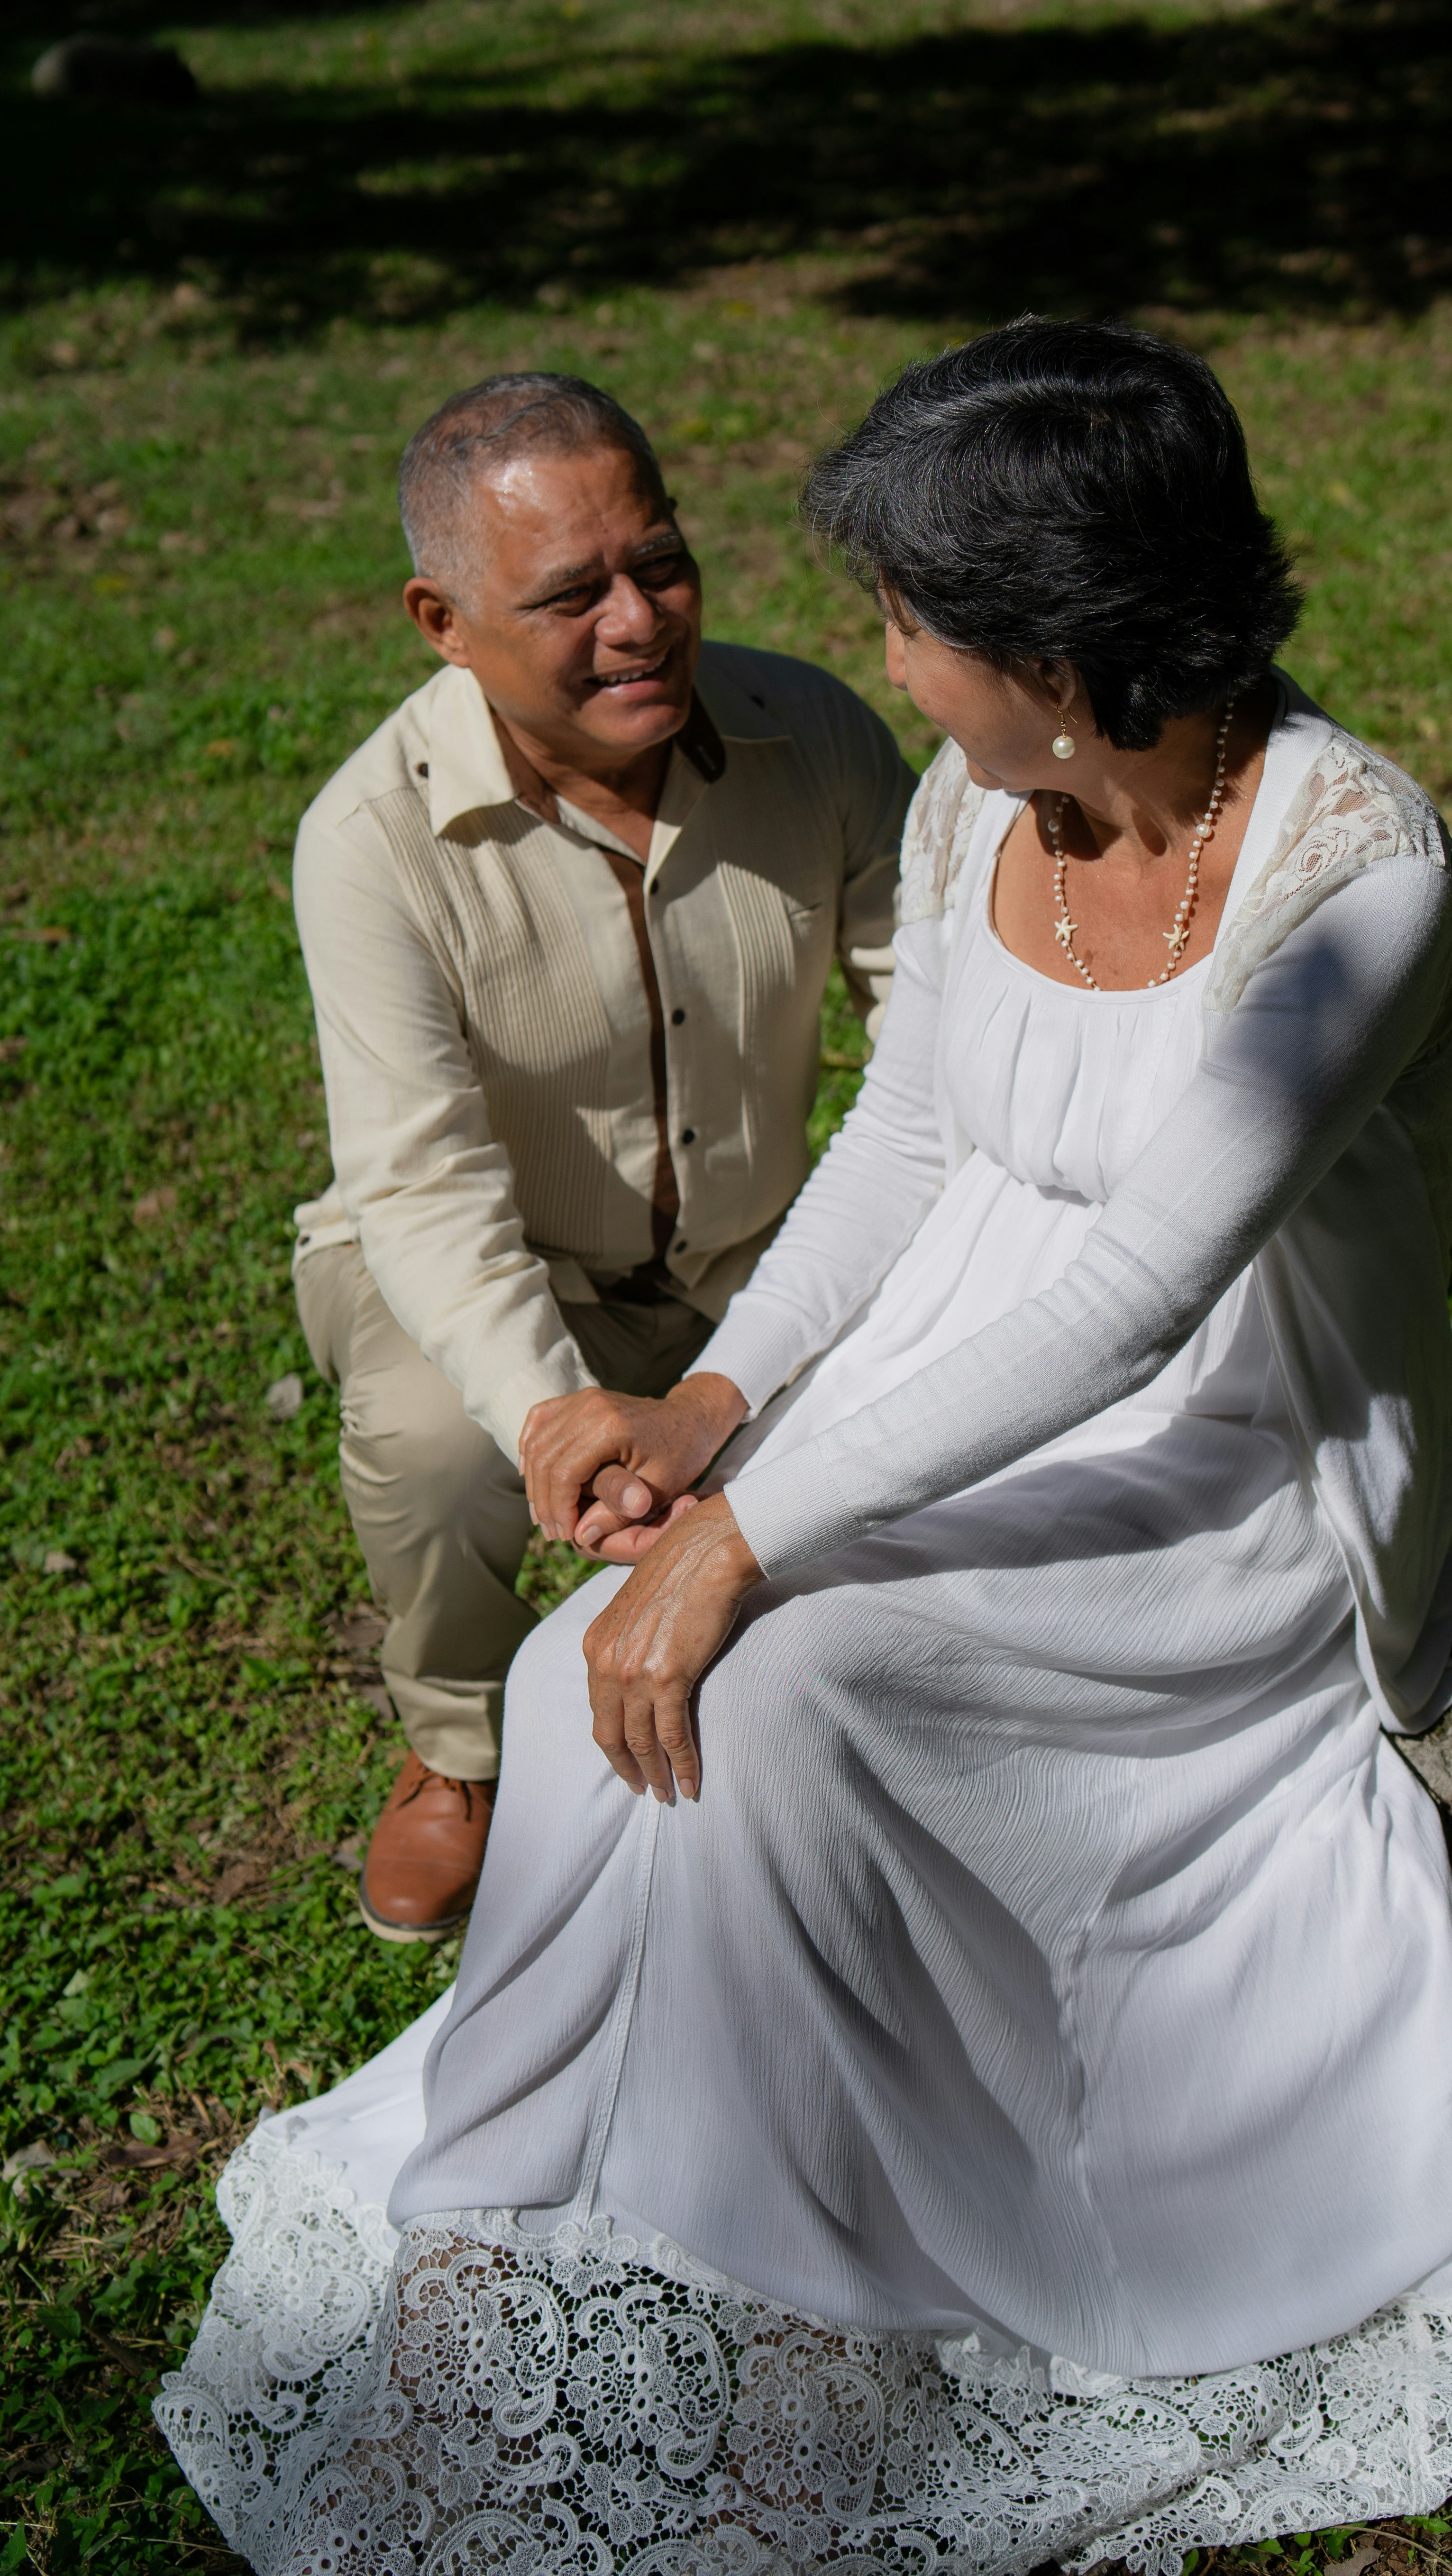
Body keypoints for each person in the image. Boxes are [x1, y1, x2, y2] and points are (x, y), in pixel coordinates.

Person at [160, 323, 1452, 2574]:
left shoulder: (1351, 877)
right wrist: (720, 1416)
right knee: (564, 1681)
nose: (878, 655)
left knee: (773, 1692)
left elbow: (1143, 1298)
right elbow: (914, 1143)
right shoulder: (981, 796)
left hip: (1219, 1464)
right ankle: (599, 2191)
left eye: (915, 618)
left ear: (1052, 647)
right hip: (955, 1370)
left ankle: (829, 2273)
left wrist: (751, 1540)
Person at [289, 372, 910, 1941]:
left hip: (758, 1254)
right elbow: (419, 1184)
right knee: (433, 1440)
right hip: (501, 1268)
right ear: (441, 620)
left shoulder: (815, 733)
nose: (640, 621)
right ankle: (461, 1752)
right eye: (572, 595)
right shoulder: (369, 840)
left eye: (663, 562)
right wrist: (554, 1409)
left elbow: (938, 1039)